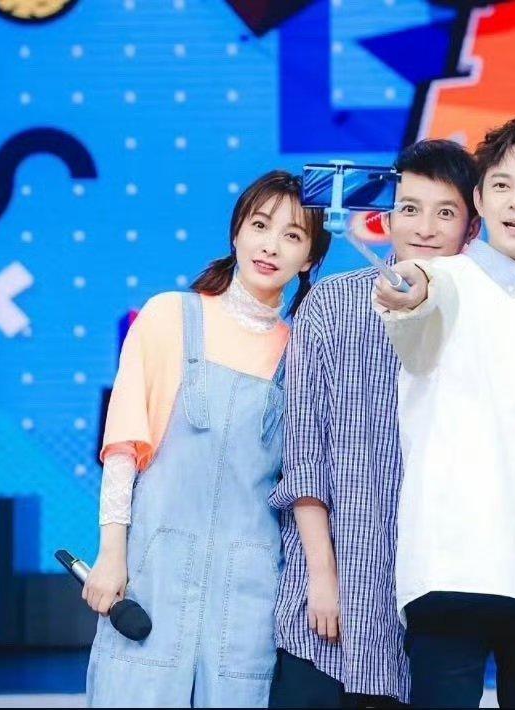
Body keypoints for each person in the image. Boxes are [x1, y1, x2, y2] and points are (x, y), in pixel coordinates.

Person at [374, 115, 515, 709]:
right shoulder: (445, 280)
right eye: (501, 185)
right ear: (479, 199)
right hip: (452, 566)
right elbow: (416, 294)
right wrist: (407, 291)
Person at [83, 170, 331, 707]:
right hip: (154, 572)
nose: (270, 245)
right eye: (259, 225)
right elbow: (124, 447)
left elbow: (304, 476)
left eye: (292, 235)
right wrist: (111, 553)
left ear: (310, 257)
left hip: (249, 588)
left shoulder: (302, 352)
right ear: (236, 232)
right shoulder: (169, 315)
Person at [267, 139, 481, 708]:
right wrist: (321, 575)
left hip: (429, 603)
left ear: (472, 227)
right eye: (410, 208)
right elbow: (305, 454)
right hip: (327, 596)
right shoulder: (330, 305)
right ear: (385, 217)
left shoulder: (481, 323)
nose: (425, 228)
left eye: (446, 212)